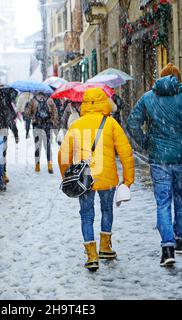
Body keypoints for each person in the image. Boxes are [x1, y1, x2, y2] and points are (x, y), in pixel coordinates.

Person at [126, 63, 182, 267]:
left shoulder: (148, 98)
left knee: (163, 203)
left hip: (159, 160)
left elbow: (132, 123)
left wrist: (147, 143)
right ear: (178, 79)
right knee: (181, 200)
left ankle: (167, 249)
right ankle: (180, 241)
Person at [58, 88, 135, 272]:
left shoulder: (76, 125)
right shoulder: (111, 123)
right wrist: (127, 180)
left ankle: (92, 256)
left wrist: (67, 176)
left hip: (84, 179)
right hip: (106, 176)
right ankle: (106, 247)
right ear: (103, 102)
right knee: (107, 209)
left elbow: (63, 155)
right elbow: (126, 152)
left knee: (86, 215)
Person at [26, 92, 59, 174]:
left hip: (37, 126)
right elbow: (55, 112)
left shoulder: (33, 100)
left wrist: (28, 107)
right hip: (47, 126)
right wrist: (52, 122)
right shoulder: (50, 100)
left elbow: (27, 114)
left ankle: (37, 166)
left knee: (37, 146)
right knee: (47, 146)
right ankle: (50, 165)